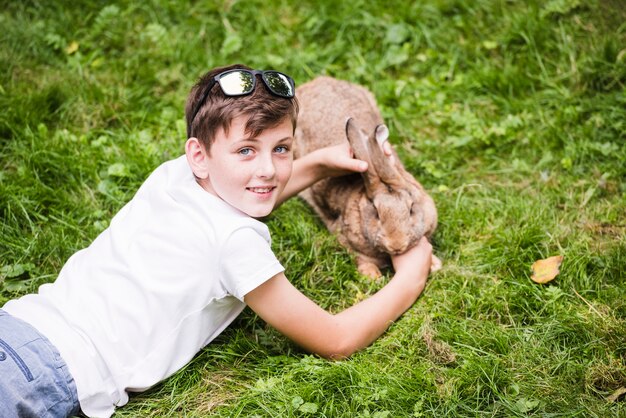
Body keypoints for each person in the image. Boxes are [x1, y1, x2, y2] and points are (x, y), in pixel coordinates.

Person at [0, 64, 434, 417]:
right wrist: (408, 280)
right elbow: (335, 339)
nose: (267, 169)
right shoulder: (235, 245)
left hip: (20, 324)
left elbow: (242, 193)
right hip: (49, 372)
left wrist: (318, 162)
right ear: (200, 156)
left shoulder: (175, 175)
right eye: (247, 150)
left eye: (282, 148)